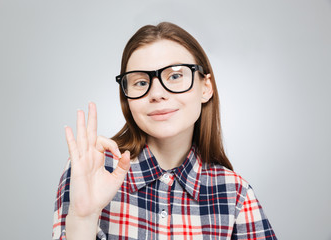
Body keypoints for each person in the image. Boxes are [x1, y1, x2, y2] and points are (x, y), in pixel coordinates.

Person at [52, 22, 277, 240]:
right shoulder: (93, 170)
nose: (157, 93)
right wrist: (83, 218)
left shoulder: (234, 194)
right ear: (126, 97)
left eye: (176, 76)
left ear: (205, 88)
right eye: (141, 82)